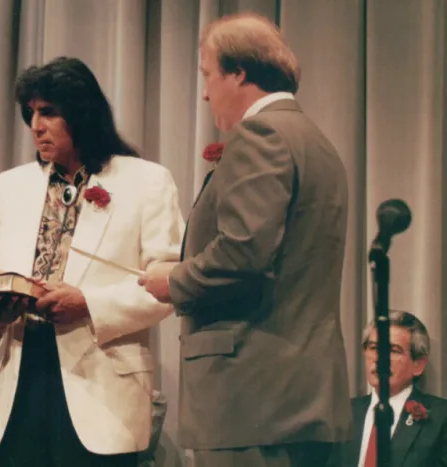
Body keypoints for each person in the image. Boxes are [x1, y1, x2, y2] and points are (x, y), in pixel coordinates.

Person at [138, 12, 351, 467]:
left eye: (208, 74)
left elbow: (242, 252)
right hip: (299, 396)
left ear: (239, 73)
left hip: (252, 400)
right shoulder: (317, 143)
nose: (205, 91)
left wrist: (172, 280)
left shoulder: (261, 133)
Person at [0, 56, 182, 466]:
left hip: (102, 388)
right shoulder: (9, 186)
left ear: (82, 113)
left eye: (49, 112)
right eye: (30, 113)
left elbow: (167, 284)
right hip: (22, 378)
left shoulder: (145, 181)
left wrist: (87, 302)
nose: (36, 125)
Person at [336, 311, 447, 467]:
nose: (379, 358)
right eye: (374, 348)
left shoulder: (441, 417)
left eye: (394, 350)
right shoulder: (342, 413)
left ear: (418, 365)